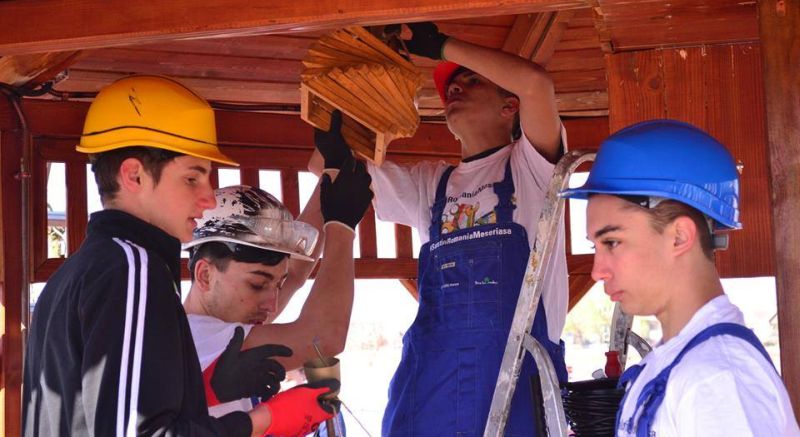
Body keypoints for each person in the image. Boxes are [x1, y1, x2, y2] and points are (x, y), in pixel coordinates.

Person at [22, 74, 335, 436]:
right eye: (192, 178)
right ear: (134, 176)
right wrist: (263, 420)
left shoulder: (75, 275)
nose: (208, 197)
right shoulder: (132, 270)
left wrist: (206, 390)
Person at [314, 22, 569, 436]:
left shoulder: (533, 169)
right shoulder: (430, 184)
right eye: (451, 86)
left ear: (510, 105)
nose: (455, 87)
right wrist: (344, 101)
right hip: (432, 381)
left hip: (517, 376)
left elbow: (537, 85)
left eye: (471, 80)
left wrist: (442, 46)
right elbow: (326, 169)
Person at [560, 119, 800, 436]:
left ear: (679, 237)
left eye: (612, 242)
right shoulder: (676, 364)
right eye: (596, 246)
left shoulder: (716, 379)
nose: (597, 271)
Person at [183, 156, 372, 421]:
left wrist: (331, 174)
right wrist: (342, 227)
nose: (272, 304)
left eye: (277, 284)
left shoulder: (215, 326)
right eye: (257, 285)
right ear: (205, 275)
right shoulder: (199, 337)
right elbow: (323, 338)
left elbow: (294, 273)